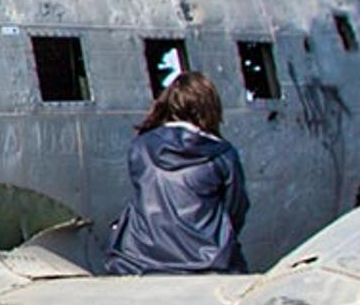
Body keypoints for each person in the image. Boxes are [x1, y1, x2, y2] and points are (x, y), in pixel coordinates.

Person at [108, 71, 253, 275]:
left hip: (139, 260)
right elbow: (236, 209)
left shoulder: (140, 147)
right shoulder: (223, 154)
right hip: (206, 262)